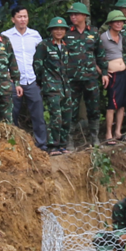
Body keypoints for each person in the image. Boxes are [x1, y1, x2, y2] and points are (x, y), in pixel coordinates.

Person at [1, 6, 50, 149]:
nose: (23, 19)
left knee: (38, 114)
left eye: (25, 16)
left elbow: (42, 56)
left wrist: (41, 76)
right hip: (13, 81)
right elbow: (1, 57)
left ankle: (41, 145)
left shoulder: (35, 35)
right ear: (13, 19)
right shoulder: (5, 36)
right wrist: (7, 75)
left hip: (32, 80)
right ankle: (13, 145)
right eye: (19, 17)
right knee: (12, 114)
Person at [33, 16, 75, 153]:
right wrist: (44, 81)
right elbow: (37, 66)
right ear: (51, 30)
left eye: (62, 29)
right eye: (56, 29)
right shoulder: (44, 45)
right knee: (55, 117)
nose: (59, 31)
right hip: (51, 87)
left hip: (65, 87)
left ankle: (62, 144)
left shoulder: (66, 45)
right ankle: (53, 146)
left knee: (67, 117)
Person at [65, 1, 103, 142]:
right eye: (71, 15)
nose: (73, 17)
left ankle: (94, 138)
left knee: (94, 108)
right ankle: (69, 140)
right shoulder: (66, 33)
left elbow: (100, 54)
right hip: (71, 78)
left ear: (84, 16)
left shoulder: (93, 32)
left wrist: (104, 72)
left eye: (76, 14)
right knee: (71, 109)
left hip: (90, 77)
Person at [100, 10, 126, 143]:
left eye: (121, 22)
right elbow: (94, 55)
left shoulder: (121, 36)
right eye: (116, 22)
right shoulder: (103, 37)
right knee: (112, 105)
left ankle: (118, 132)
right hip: (112, 75)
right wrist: (102, 72)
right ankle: (108, 134)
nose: (119, 24)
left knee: (122, 104)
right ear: (110, 23)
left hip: (123, 73)